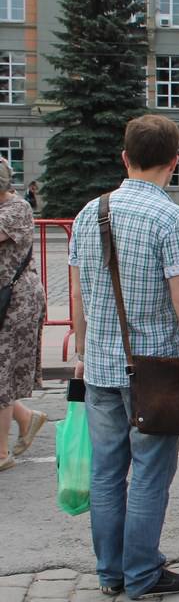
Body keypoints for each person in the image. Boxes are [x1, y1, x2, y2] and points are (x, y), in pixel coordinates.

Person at [68, 115, 179, 599]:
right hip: (154, 370)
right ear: (175, 162)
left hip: (101, 367)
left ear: (124, 157)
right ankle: (141, 574)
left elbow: (79, 291)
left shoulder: (90, 212)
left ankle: (111, 572)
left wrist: (82, 347)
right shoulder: (169, 217)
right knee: (151, 473)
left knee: (107, 474)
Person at [0, 158, 47, 471]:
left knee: (1, 375)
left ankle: (1, 454)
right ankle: (27, 418)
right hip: (6, 299)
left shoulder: (17, 209)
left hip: (16, 301)